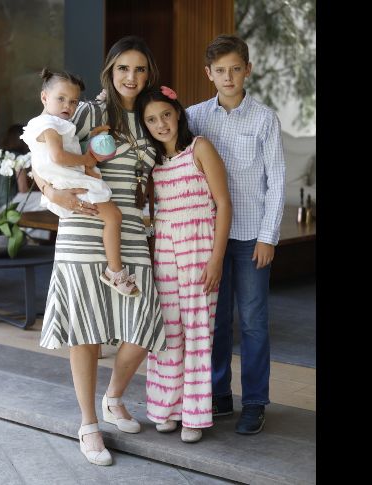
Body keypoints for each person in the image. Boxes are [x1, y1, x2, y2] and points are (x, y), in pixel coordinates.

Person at [29, 36, 167, 466]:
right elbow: (40, 157)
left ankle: (114, 397)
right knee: (84, 329)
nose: (132, 76)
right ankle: (89, 424)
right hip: (82, 223)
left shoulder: (150, 116)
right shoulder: (85, 111)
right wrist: (54, 194)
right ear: (111, 70)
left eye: (140, 68)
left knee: (144, 323)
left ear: (148, 74)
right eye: (123, 67)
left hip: (128, 229)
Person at [185, 34, 286, 435]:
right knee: (215, 320)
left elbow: (276, 180)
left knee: (254, 321)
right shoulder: (193, 117)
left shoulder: (264, 119)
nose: (228, 77)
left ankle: (256, 401)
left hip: (249, 237)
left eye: (235, 69)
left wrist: (268, 236)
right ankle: (218, 395)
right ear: (208, 74)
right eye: (220, 71)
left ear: (248, 69)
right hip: (208, 238)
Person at [136, 85, 231, 443]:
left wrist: (216, 258)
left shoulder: (199, 148)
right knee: (169, 330)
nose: (161, 124)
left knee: (197, 331)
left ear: (177, 113)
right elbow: (153, 213)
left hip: (199, 248)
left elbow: (223, 203)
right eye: (151, 120)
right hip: (165, 251)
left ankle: (194, 414)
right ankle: (166, 409)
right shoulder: (154, 164)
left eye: (165, 114)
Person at [22, 68, 140, 297]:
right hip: (69, 184)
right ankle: (115, 271)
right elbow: (58, 157)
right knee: (114, 217)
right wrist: (86, 160)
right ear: (44, 97)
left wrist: (87, 159)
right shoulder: (50, 125)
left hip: (66, 182)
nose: (68, 106)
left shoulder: (49, 124)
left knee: (110, 217)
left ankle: (114, 269)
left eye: (73, 101)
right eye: (61, 99)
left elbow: (58, 155)